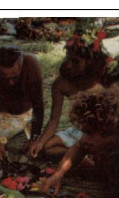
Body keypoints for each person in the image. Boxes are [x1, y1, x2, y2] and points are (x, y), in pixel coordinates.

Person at [39, 84, 119, 198]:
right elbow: (79, 147)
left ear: (109, 131)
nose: (84, 139)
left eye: (89, 133)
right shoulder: (112, 131)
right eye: (84, 132)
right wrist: (58, 174)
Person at [28, 30, 109, 159]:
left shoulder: (102, 80)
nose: (69, 66)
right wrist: (40, 143)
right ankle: (82, 156)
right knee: (47, 148)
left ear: (89, 62)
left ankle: (85, 156)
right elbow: (54, 120)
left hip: (102, 134)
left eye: (76, 62)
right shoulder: (61, 83)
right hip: (79, 132)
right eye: (68, 59)